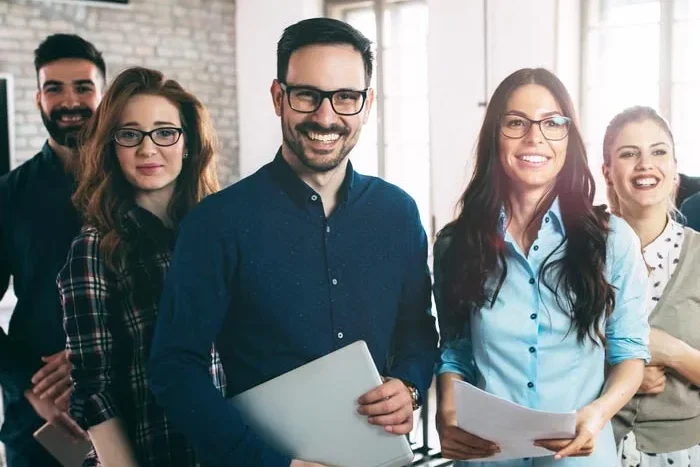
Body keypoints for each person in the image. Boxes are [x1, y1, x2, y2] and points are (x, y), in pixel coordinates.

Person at [147, 17, 438, 467]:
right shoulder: (215, 223)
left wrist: (411, 387)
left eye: (346, 97)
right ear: (279, 97)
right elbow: (174, 368)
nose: (326, 117)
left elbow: (419, 329)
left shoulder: (398, 212)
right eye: (308, 95)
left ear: (368, 103)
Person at [433, 68, 650, 466]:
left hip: (580, 458)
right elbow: (456, 351)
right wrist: (446, 414)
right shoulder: (455, 243)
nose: (535, 138)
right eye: (516, 123)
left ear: (569, 137)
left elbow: (630, 355)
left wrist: (598, 413)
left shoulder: (613, 240)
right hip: (488, 457)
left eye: (552, 123)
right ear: (495, 135)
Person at [57, 66, 224, 467]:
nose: (148, 150)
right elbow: (93, 391)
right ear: (111, 147)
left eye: (165, 132)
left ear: (188, 144)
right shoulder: (94, 246)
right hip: (156, 453)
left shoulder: (218, 230)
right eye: (130, 135)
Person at [0, 33, 104, 467]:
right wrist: (30, 388)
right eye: (54, 88)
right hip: (43, 419)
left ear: (104, 94)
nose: (70, 101)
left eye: (83, 87)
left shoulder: (138, 185)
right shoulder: (9, 196)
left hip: (129, 399)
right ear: (38, 98)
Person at [602, 106, 700, 466]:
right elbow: (546, 358)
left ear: (674, 168)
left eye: (658, 152)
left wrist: (674, 352)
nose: (645, 164)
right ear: (608, 172)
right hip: (595, 448)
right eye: (629, 154)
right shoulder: (578, 256)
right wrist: (621, 375)